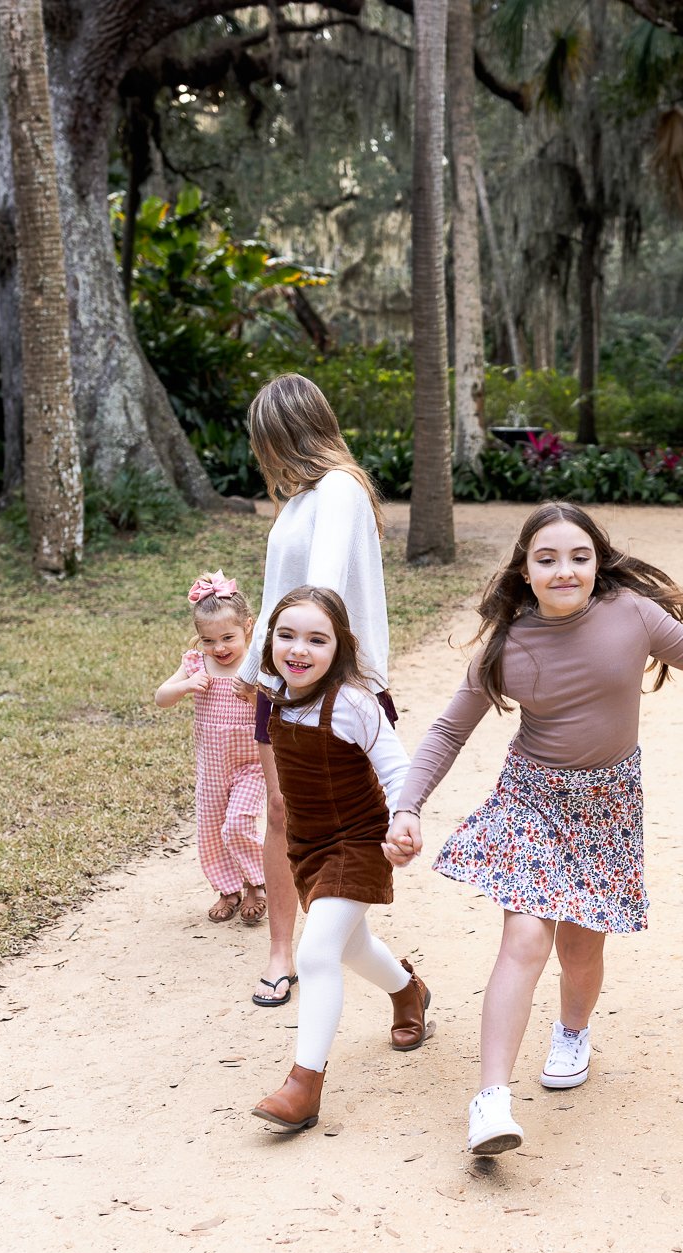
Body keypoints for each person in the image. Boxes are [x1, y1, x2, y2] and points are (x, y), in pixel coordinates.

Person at [385, 503, 683, 1156]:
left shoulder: (630, 614)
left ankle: (573, 1029)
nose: (564, 569)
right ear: (524, 570)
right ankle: (491, 1099)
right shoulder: (508, 640)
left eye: (578, 556)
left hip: (607, 807)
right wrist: (407, 805)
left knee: (581, 953)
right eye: (546, 559)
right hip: (532, 798)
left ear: (597, 561)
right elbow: (448, 728)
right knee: (523, 938)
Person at [249, 586, 433, 1135]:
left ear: (341, 648)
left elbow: (398, 769)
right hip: (307, 844)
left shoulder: (354, 702)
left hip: (358, 840)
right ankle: (408, 990)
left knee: (317, 952)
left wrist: (407, 819)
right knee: (352, 946)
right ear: (270, 641)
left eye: (316, 639)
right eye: (286, 636)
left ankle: (304, 1085)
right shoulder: (274, 691)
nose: (298, 650)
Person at [235, 373, 392, 1008]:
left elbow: (319, 595)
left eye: (265, 439)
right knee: (282, 813)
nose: (262, 454)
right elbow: (277, 596)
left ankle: (346, 954)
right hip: (285, 676)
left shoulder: (339, 490)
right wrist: (250, 673)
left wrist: (285, 676)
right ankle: (286, 949)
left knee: (339, 829)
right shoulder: (301, 500)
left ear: (287, 433)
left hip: (331, 687)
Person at [153, 572, 265, 924]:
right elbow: (160, 698)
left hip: (252, 764)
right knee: (211, 828)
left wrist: (252, 692)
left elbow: (278, 704)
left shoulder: (256, 663)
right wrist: (186, 685)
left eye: (228, 637)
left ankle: (256, 883)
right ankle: (227, 889)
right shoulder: (195, 664)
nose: (219, 648)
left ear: (248, 627)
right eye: (209, 640)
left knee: (237, 823)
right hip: (213, 766)